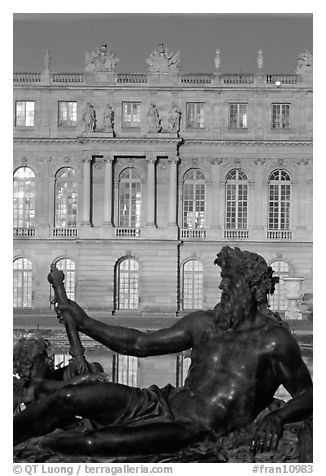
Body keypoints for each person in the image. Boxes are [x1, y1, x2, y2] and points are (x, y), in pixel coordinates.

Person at [14, 246, 312, 459]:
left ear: (254, 289)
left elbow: (309, 396)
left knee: (92, 444)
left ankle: (38, 449)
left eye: (230, 281)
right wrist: (85, 323)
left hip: (193, 428)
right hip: (159, 401)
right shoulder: (205, 323)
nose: (222, 285)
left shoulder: (274, 341)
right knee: (68, 397)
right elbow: (140, 344)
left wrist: (279, 417)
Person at [13, 337, 106, 414]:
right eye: (43, 359)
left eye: (48, 356)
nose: (50, 360)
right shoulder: (31, 387)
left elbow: (72, 371)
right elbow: (64, 385)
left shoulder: (52, 377)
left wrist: (91, 367)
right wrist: (86, 377)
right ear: (31, 364)